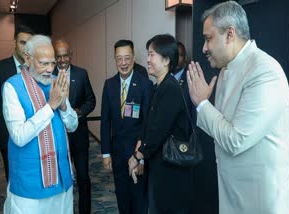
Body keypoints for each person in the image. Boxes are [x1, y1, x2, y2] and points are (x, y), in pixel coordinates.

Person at [186, 1, 289, 214]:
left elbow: (236, 139)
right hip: (232, 194)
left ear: (230, 34)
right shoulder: (224, 71)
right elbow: (222, 129)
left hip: (261, 201)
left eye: (208, 38)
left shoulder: (265, 71)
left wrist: (203, 104)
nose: (204, 48)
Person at [2, 35, 78, 213]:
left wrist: (64, 104)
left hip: (61, 179)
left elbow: (73, 126)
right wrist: (51, 106)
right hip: (29, 182)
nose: (50, 69)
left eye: (52, 63)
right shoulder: (12, 87)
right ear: (27, 59)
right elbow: (19, 136)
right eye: (43, 63)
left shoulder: (55, 82)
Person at [128, 34, 194, 214]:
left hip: (171, 169)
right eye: (147, 54)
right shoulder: (159, 86)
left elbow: (158, 131)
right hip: (160, 165)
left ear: (166, 60)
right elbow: (149, 124)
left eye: (151, 55)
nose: (147, 60)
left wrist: (137, 156)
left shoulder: (170, 89)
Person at [101, 39, 152, 214]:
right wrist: (106, 153)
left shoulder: (145, 84)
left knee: (138, 198)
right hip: (117, 153)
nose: (123, 63)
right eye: (119, 58)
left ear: (134, 58)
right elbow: (105, 121)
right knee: (122, 197)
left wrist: (142, 157)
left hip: (136, 153)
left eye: (127, 58)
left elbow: (147, 123)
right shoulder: (109, 85)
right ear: (114, 59)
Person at [174, 41, 218, 214]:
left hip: (190, 145)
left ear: (186, 58)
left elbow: (198, 113)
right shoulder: (162, 81)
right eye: (175, 55)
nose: (178, 59)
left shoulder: (193, 79)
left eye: (181, 55)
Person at [53, 39, 96, 214]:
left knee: (83, 177)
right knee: (60, 178)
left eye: (65, 55)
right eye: (58, 56)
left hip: (79, 134)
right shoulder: (48, 75)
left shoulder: (81, 74)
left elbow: (91, 100)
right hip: (58, 136)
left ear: (71, 55)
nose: (62, 60)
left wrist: (78, 113)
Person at [0, 25, 34, 181]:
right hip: (8, 137)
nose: (26, 48)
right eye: (22, 43)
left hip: (33, 134)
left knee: (31, 175)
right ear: (14, 43)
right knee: (14, 179)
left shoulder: (37, 69)